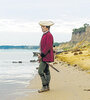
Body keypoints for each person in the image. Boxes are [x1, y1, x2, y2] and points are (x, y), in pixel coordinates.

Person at [38, 21, 54, 93]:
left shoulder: (49, 35)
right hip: (44, 56)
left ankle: (45, 86)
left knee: (40, 71)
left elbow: (48, 47)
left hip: (46, 56)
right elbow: (43, 46)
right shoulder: (45, 34)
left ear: (47, 27)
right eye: (41, 26)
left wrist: (41, 55)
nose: (41, 28)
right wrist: (40, 53)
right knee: (46, 71)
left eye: (43, 26)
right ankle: (47, 87)